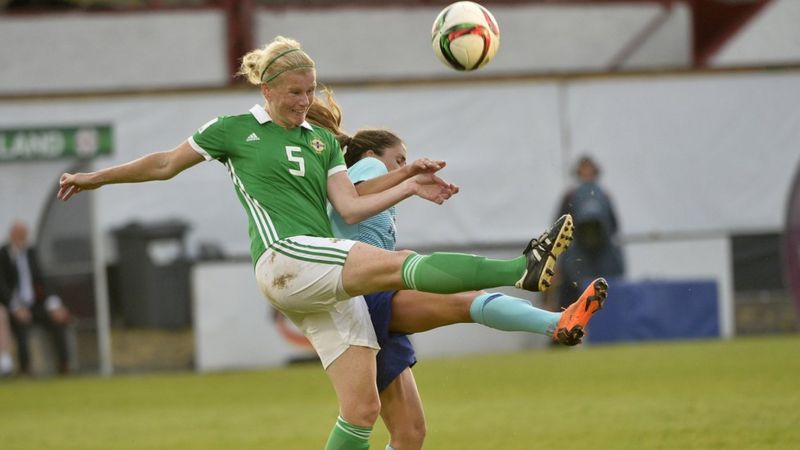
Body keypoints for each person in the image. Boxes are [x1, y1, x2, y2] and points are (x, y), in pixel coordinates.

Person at [58, 36, 583, 450]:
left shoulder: (323, 140)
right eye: (294, 92)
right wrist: (95, 177)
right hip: (284, 256)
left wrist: (407, 184)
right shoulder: (232, 130)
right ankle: (520, 268)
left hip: (321, 275)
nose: (305, 100)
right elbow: (165, 163)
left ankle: (524, 277)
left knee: (361, 413)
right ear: (266, 89)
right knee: (400, 266)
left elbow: (351, 206)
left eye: (310, 91)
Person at [308, 90, 608, 450]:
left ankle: (556, 318)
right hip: (366, 293)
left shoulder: (367, 183)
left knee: (409, 434)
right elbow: (351, 203)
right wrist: (408, 179)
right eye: (398, 158)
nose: (403, 165)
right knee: (464, 302)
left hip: (367, 296)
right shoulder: (367, 166)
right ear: (372, 154)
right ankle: (554, 318)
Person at [551, 155, 624, 313]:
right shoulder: (569, 197)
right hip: (576, 254)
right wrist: (557, 262)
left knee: (604, 296)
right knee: (569, 294)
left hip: (602, 254)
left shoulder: (605, 196)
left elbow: (613, 226)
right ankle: (561, 333)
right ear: (578, 172)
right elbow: (559, 228)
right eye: (584, 169)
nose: (587, 173)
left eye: (589, 169)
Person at [0, 221, 72, 375]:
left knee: (57, 321)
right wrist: (16, 307)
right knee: (21, 326)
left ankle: (64, 365)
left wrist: (54, 305)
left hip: (34, 304)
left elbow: (43, 279)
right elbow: (2, 287)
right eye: (20, 236)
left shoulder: (31, 253)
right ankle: (25, 368)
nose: (23, 240)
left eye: (25, 236)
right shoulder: (2, 255)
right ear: (12, 235)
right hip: (12, 306)